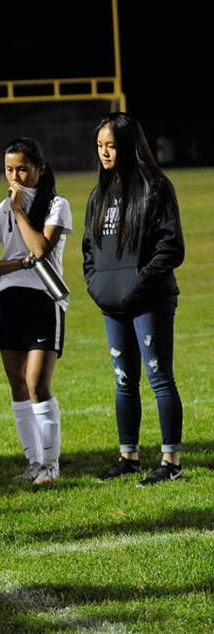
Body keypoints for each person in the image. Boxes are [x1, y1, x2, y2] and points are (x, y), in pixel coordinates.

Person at [84, 113, 186, 485]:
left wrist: (138, 285)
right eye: (99, 146)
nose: (104, 153)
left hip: (150, 301)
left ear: (128, 146)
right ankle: (129, 456)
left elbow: (171, 247)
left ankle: (171, 461)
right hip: (113, 303)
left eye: (111, 145)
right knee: (123, 379)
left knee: (159, 377)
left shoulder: (155, 187)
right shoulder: (100, 192)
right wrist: (97, 285)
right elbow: (89, 250)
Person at [0, 138, 71, 486]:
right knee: (17, 383)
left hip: (45, 301)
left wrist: (18, 210)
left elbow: (41, 249)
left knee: (37, 384)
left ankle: (51, 463)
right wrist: (14, 263)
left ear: (39, 170)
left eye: (22, 169)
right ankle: (33, 461)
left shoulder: (56, 205)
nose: (14, 176)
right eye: (8, 169)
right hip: (9, 301)